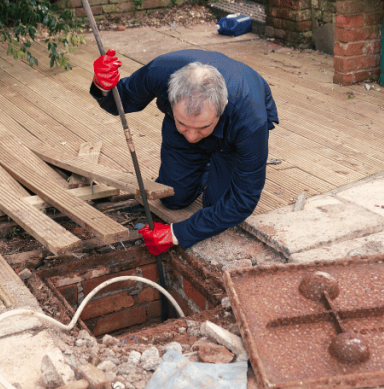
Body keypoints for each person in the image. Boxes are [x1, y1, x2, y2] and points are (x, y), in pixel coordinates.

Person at [90, 48, 278, 256]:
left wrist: (176, 233)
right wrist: (102, 84)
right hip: (187, 127)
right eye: (183, 124)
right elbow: (122, 100)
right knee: (172, 198)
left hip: (231, 137)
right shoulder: (161, 71)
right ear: (170, 96)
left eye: (203, 127)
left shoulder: (251, 119)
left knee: (217, 204)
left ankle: (217, 160)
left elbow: (243, 200)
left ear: (222, 106)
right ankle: (203, 157)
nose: (191, 137)